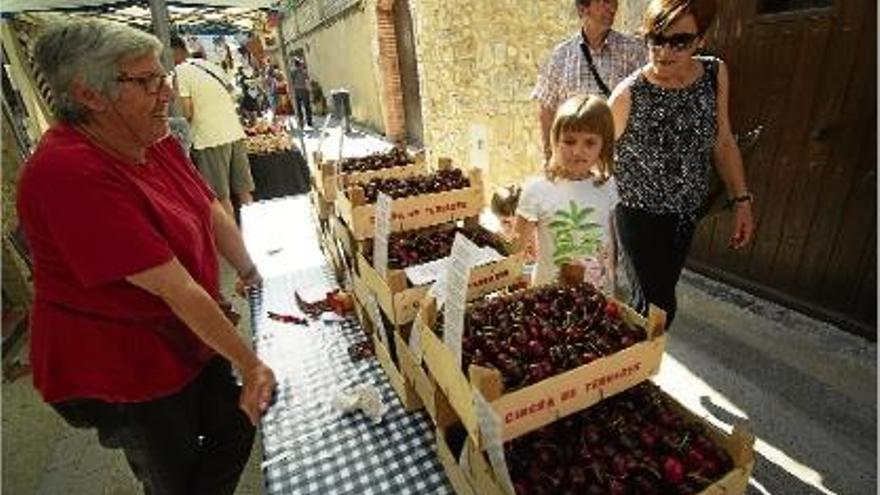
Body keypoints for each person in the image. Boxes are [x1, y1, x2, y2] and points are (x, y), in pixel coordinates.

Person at [17, 19, 277, 494]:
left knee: (232, 423)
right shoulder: (65, 174)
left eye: (164, 77)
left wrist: (249, 270)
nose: (168, 94)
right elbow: (173, 288)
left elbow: (210, 209)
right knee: (176, 474)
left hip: (181, 332)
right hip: (124, 363)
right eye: (148, 81)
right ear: (90, 95)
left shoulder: (151, 140)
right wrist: (251, 363)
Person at [609, 0, 755, 326]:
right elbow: (595, 155)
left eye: (680, 41)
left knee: (656, 300)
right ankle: (635, 368)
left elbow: (724, 140)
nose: (664, 50)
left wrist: (741, 200)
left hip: (686, 213)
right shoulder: (628, 94)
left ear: (700, 39)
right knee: (657, 307)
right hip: (637, 214)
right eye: (656, 38)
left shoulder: (715, 74)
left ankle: (635, 365)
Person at [516, 95, 619, 292]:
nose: (578, 151)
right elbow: (515, 251)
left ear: (603, 145)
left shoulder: (609, 186)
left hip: (599, 299)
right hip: (549, 300)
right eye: (569, 141)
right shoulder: (536, 190)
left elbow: (613, 245)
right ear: (555, 139)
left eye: (590, 143)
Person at [532, 0, 646, 165]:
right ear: (582, 8)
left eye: (614, 2)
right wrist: (551, 158)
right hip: (574, 163)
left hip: (617, 163)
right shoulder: (560, 56)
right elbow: (547, 110)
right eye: (605, 2)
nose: (613, 7)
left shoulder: (634, 52)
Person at [171, 34, 255, 219]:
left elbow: (187, 112)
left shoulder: (180, 72)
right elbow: (231, 94)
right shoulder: (209, 65)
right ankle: (255, 234)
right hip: (234, 132)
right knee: (243, 192)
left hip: (209, 139)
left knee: (220, 198)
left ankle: (234, 245)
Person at [290, 57, 313, 129]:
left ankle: (301, 122)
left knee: (298, 107)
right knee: (307, 106)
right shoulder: (303, 70)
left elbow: (292, 81)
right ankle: (309, 121)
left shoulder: (293, 71)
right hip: (304, 89)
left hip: (297, 90)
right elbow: (307, 79)